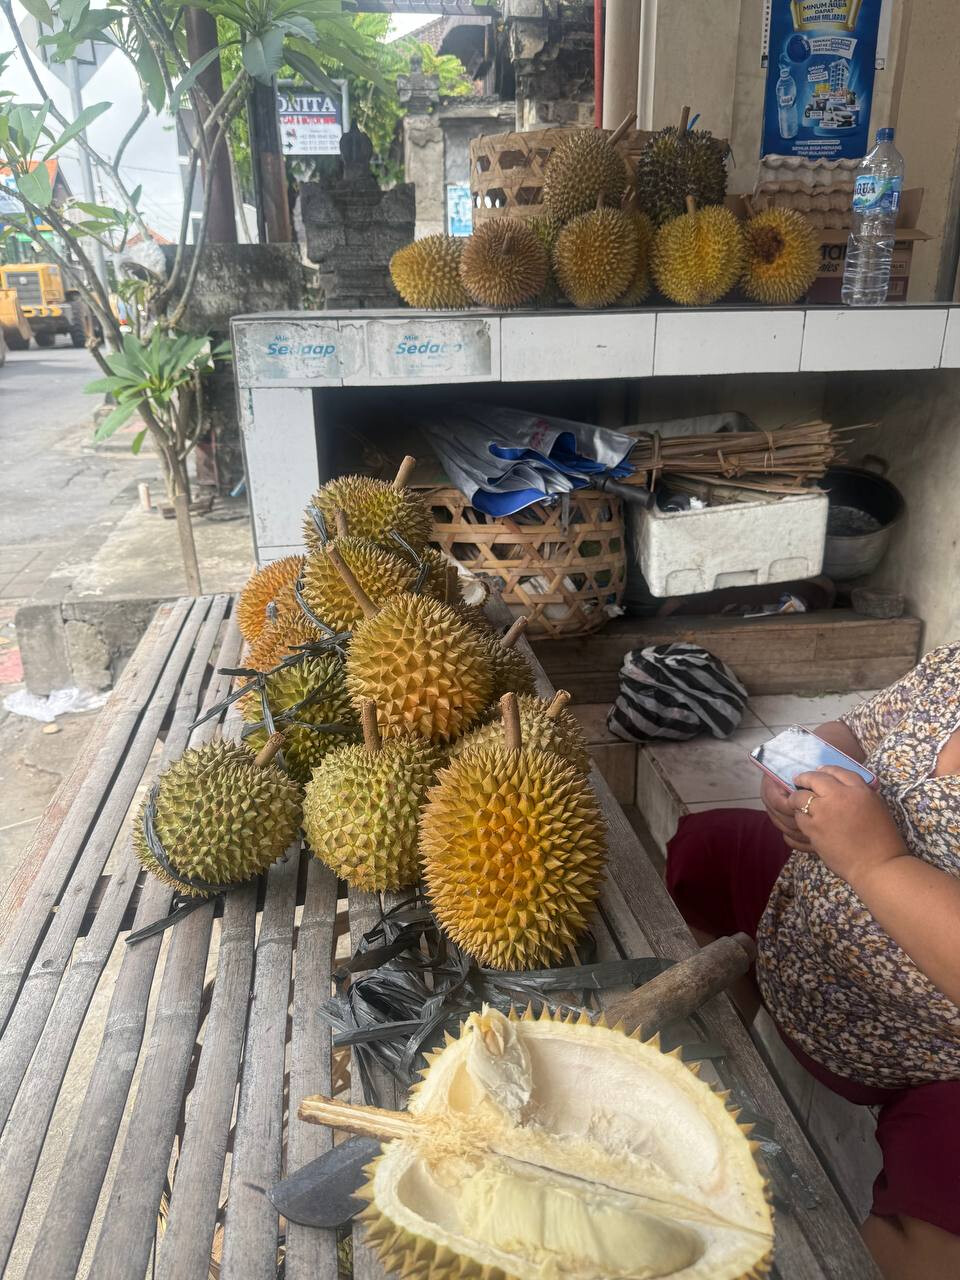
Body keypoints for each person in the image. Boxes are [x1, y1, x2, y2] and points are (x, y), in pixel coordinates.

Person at [665, 645, 960, 1280]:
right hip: (799, 915)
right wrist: (801, 768)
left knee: (936, 1241)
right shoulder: (954, 669)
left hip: (929, 1051)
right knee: (707, 849)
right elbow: (855, 729)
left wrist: (876, 863)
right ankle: (737, 1040)